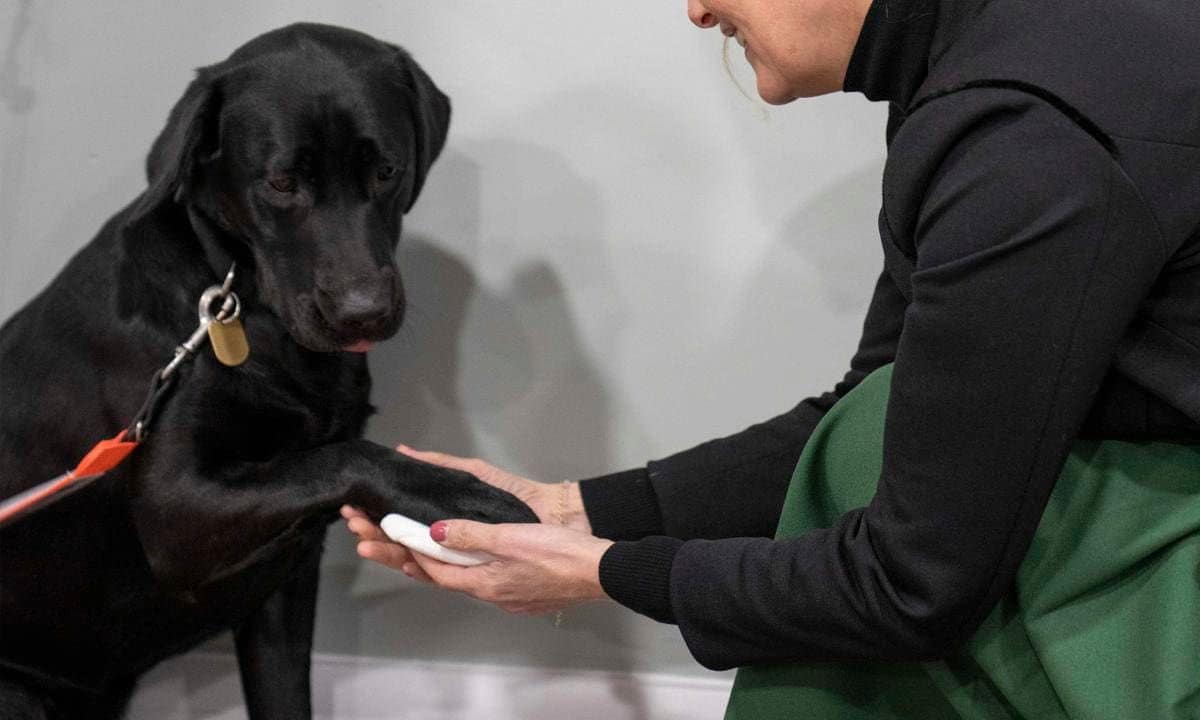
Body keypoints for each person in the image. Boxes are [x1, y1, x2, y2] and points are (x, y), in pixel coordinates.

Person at [344, 0, 1200, 717]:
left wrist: (605, 573)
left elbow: (913, 584)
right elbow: (879, 409)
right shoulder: (990, 65)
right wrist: (573, 512)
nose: (697, 8)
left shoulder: (1030, 136)